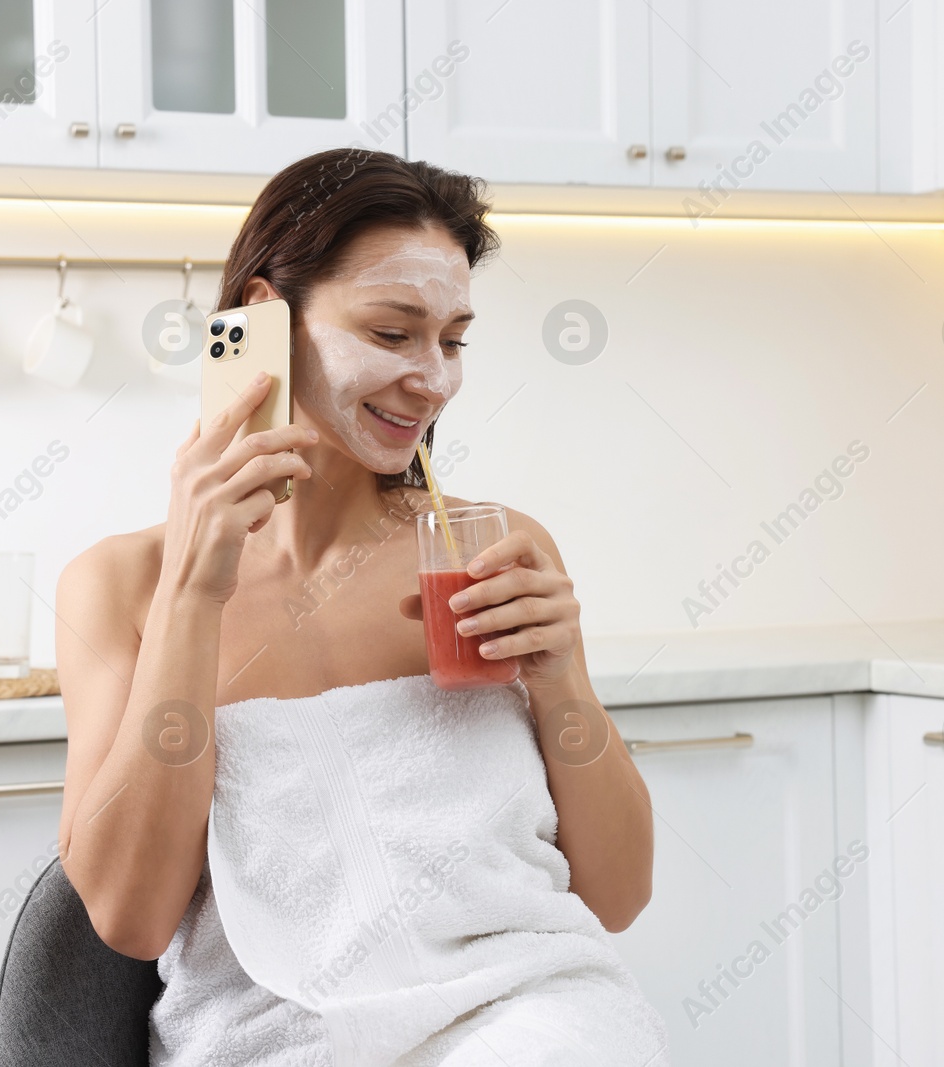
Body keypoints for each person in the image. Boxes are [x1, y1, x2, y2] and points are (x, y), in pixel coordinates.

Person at [56, 148, 667, 1065]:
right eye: (393, 334)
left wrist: (562, 680)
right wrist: (194, 591)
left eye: (454, 339)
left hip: (527, 1014)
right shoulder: (122, 586)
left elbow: (615, 897)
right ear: (266, 317)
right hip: (276, 1034)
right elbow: (132, 918)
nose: (436, 379)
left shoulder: (490, 551)